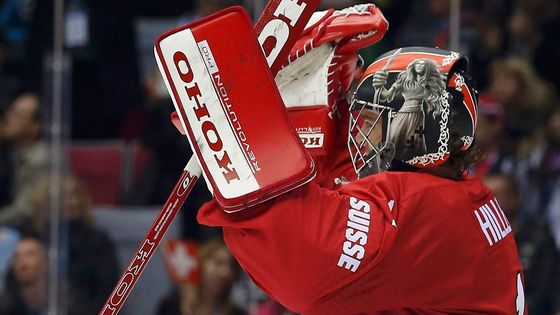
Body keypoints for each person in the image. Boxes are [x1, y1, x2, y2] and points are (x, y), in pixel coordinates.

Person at [195, 47, 527, 314]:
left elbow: (306, 269)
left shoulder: (424, 209)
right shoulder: (456, 196)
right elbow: (357, 197)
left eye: (372, 120)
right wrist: (325, 124)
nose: (361, 135)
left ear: (414, 134)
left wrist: (241, 150)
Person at [29, 173, 119, 315]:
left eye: (76, 194)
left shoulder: (98, 241)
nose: (73, 202)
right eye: (63, 197)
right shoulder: (33, 238)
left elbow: (109, 292)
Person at [484, 173, 560, 314]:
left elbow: (547, 286)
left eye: (496, 195)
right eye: (485, 197)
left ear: (515, 198)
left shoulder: (538, 234)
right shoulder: (480, 238)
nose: (489, 203)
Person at [372, 57, 447, 161]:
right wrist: (379, 87)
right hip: (402, 114)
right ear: (413, 66)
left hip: (417, 115)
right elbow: (385, 96)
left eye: (422, 64)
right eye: (418, 64)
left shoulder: (427, 83)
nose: (420, 66)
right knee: (393, 139)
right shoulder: (404, 80)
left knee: (414, 144)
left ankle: (411, 166)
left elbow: (439, 95)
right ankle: (387, 163)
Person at [156, 238, 246, 315]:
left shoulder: (237, 312)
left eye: (232, 266)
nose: (225, 272)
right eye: (218, 263)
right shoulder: (173, 305)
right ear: (201, 262)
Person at [0, 92, 48, 231]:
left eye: (18, 115)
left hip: (31, 232)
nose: (9, 118)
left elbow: (24, 212)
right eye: (10, 112)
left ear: (36, 126)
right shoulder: (9, 153)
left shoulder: (43, 159)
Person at [0, 233, 48, 315]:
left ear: (46, 261)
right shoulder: (5, 307)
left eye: (30, 254)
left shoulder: (62, 301)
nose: (22, 263)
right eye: (16, 256)